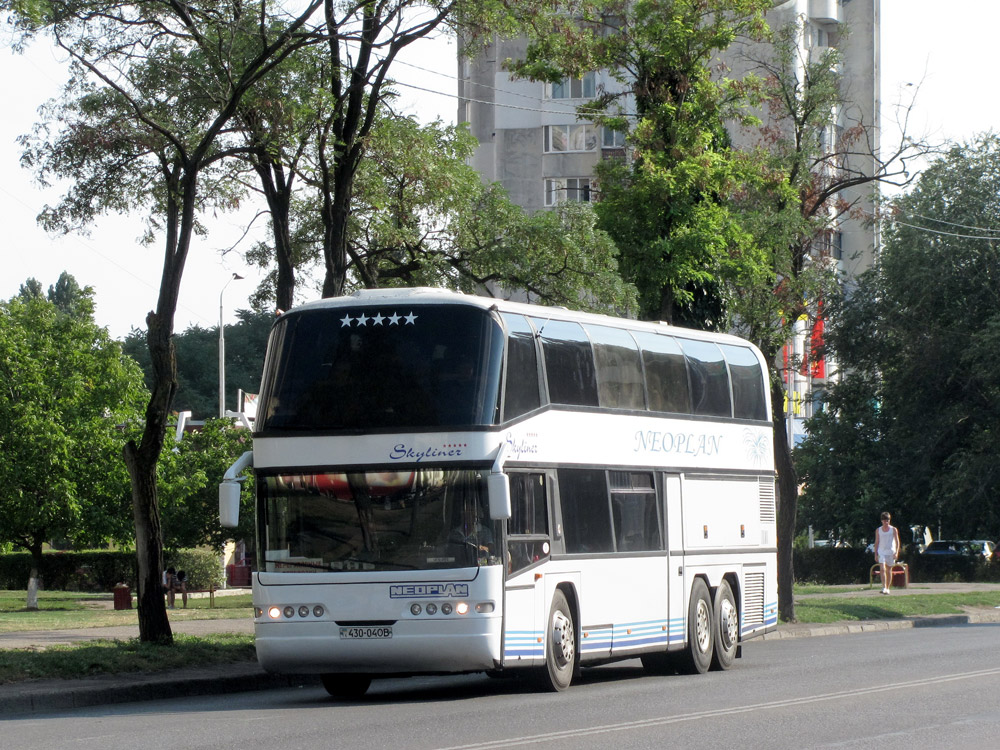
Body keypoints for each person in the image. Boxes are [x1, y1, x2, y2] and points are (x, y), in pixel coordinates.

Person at [874, 512, 901, 595]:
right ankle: (884, 587)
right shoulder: (878, 530)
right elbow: (877, 542)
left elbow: (897, 541)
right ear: (882, 521)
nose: (886, 522)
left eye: (888, 520)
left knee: (889, 569)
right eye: (884, 520)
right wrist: (875, 554)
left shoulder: (893, 529)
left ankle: (888, 588)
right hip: (881, 552)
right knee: (882, 568)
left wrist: (896, 552)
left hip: (890, 551)